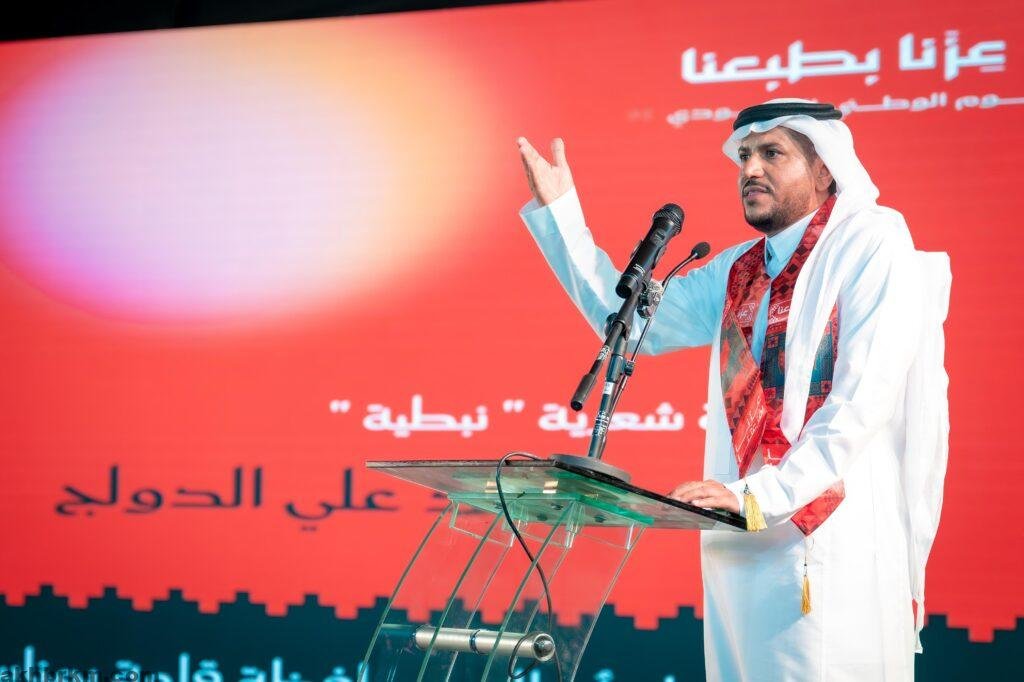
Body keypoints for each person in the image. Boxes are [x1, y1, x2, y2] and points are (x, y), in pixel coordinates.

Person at [517, 99, 950, 681]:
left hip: (825, 544)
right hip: (735, 541)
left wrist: (760, 495)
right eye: (744, 155)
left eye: (772, 153)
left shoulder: (871, 243)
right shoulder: (737, 270)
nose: (750, 169)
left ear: (826, 168)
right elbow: (626, 322)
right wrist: (561, 214)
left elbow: (860, 404)